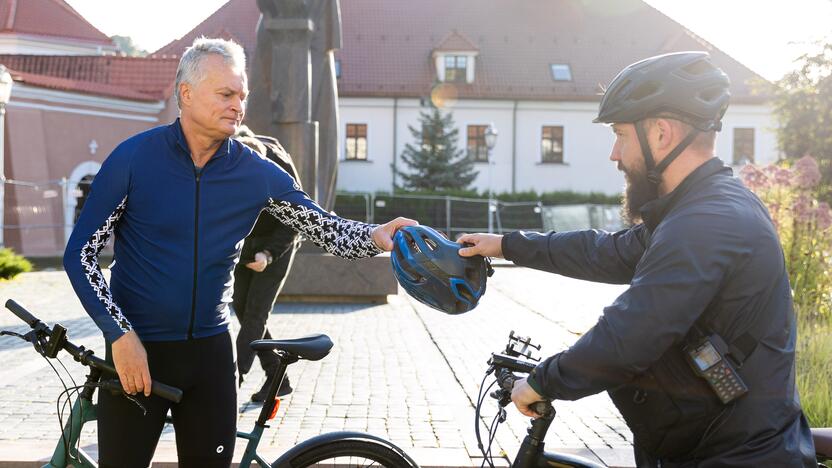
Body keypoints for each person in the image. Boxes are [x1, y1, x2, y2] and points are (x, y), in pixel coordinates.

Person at [63, 37, 415, 468]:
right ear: (186, 93)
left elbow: (326, 228)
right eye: (226, 93)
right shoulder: (134, 159)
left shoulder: (255, 173)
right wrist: (119, 334)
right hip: (137, 353)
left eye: (242, 96)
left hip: (210, 358)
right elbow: (80, 254)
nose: (238, 105)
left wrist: (379, 235)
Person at [458, 52, 816, 467]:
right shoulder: (695, 210)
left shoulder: (709, 220)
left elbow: (629, 333)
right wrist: (506, 244)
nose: (615, 153)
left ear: (661, 133)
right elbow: (604, 251)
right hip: (701, 447)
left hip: (735, 457)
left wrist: (540, 382)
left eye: (621, 134)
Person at [232, 127, 300, 401]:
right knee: (241, 306)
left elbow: (294, 222)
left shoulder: (280, 173)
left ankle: (232, 380)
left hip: (277, 246)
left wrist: (268, 254)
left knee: (256, 314)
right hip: (245, 246)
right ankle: (277, 376)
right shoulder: (228, 159)